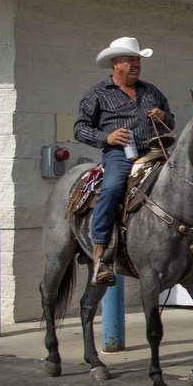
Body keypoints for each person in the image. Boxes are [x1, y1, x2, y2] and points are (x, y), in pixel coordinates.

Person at [74, 36, 175, 286]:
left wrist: (162, 116)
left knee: (180, 181)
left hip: (154, 151)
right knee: (111, 188)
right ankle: (102, 252)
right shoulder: (97, 94)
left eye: (137, 60)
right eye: (130, 60)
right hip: (119, 153)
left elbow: (170, 122)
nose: (136, 64)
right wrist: (106, 137)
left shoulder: (152, 91)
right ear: (115, 63)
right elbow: (80, 128)